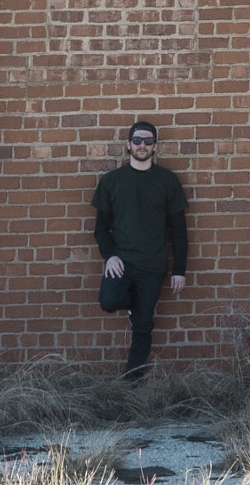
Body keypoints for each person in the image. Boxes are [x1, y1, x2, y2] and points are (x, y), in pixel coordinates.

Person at [91, 119, 188, 379]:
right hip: (122, 262)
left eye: (147, 141)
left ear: (155, 147)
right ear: (128, 145)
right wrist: (110, 255)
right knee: (108, 301)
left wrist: (180, 269)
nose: (142, 145)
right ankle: (132, 306)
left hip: (153, 266)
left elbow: (178, 229)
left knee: (143, 326)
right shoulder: (112, 181)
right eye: (137, 140)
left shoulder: (167, 181)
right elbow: (100, 229)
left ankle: (131, 385)